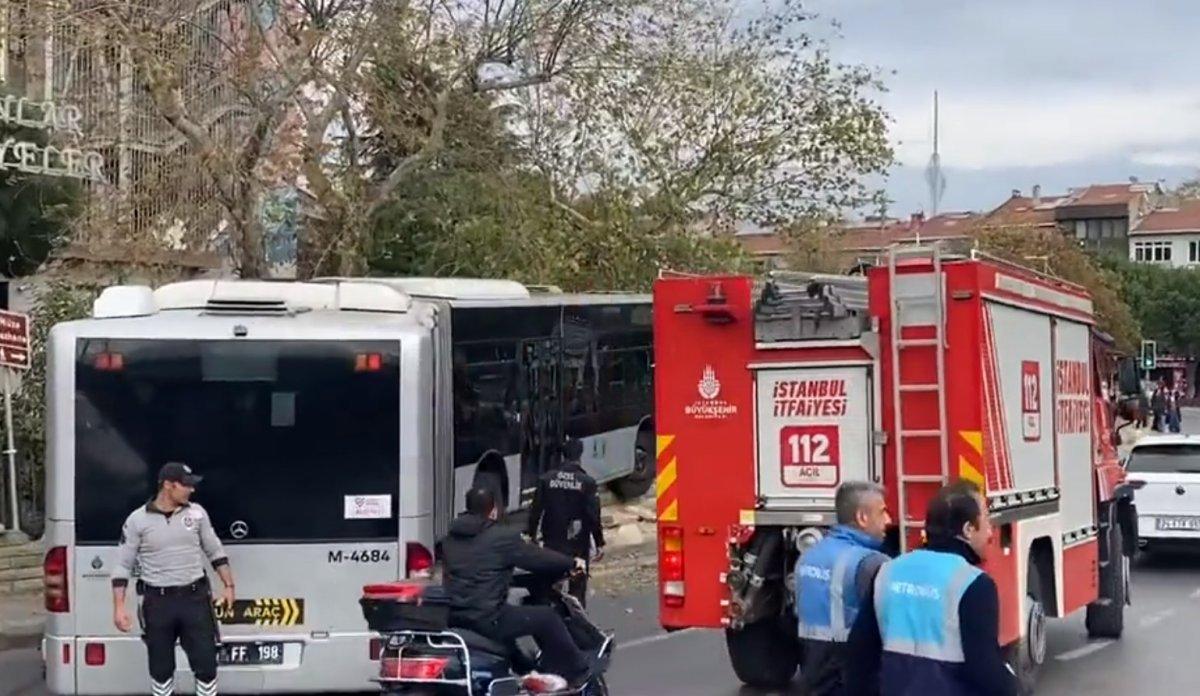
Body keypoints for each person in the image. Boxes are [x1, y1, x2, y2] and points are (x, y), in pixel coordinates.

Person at [844, 481, 1018, 696]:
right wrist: (1014, 687)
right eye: (987, 520)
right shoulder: (974, 584)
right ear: (968, 529)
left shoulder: (886, 573)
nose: (991, 532)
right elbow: (985, 673)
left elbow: (858, 657)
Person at [441, 487, 592, 687]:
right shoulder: (501, 537)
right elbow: (537, 557)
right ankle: (576, 673)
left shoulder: (450, 538)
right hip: (487, 618)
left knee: (510, 628)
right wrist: (571, 563)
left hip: (455, 616)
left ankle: (525, 671)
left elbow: (476, 569)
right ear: (493, 510)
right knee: (546, 618)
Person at [111, 462, 235, 696]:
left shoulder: (197, 513)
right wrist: (119, 607)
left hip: (195, 599)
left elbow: (215, 551)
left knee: (207, 665)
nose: (191, 490)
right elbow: (122, 565)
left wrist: (229, 586)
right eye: (186, 485)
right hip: (158, 602)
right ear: (168, 485)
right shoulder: (137, 520)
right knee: (161, 668)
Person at [794, 481, 892, 696]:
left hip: (812, 671)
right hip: (847, 674)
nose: (888, 520)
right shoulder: (870, 563)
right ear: (862, 518)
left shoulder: (808, 556)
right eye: (882, 512)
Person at [526, 437, 606, 607]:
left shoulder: (546, 479)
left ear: (563, 456)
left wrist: (531, 534)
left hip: (552, 542)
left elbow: (536, 510)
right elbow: (593, 517)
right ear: (580, 455)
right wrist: (599, 543)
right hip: (577, 544)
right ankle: (577, 621)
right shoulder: (587, 482)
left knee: (551, 583)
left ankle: (551, 616)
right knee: (577, 587)